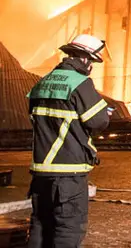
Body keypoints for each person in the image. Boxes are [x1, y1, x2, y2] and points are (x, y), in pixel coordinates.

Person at [26, 34, 111, 248]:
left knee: (40, 227)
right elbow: (98, 121)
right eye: (92, 61)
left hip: (40, 173)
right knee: (68, 230)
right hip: (68, 173)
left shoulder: (42, 81)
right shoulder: (80, 83)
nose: (91, 66)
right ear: (84, 59)